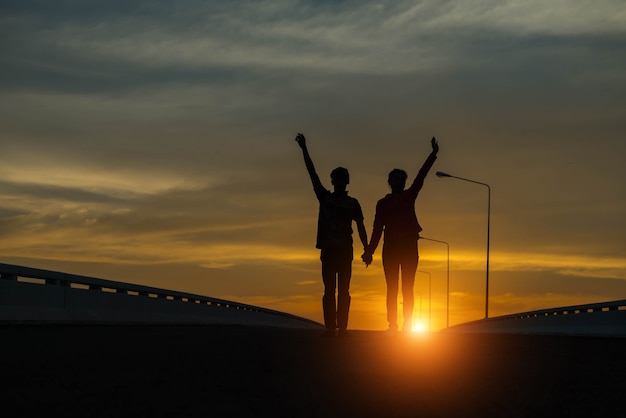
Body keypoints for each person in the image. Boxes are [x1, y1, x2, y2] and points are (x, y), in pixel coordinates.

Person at [361, 137, 439, 334]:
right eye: (396, 179)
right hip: (390, 249)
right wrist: (369, 251)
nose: (399, 182)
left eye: (402, 179)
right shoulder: (383, 204)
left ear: (404, 182)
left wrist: (433, 155)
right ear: (390, 182)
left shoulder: (409, 196)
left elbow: (421, 176)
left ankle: (408, 325)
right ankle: (392, 325)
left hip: (409, 248)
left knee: (408, 288)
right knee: (392, 289)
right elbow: (377, 229)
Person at [295, 133, 368, 337]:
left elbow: (361, 227)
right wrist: (305, 150)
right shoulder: (324, 197)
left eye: (342, 179)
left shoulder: (353, 203)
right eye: (336, 179)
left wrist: (368, 248)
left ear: (346, 182)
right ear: (333, 181)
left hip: (345, 251)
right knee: (329, 290)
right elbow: (312, 174)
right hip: (328, 250)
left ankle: (342, 326)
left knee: (343, 291)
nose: (339, 182)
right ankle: (330, 326)